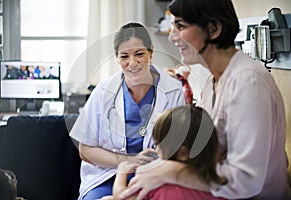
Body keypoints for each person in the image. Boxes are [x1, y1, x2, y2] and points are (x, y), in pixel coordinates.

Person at [120, 0, 291, 200]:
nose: (172, 36)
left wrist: (170, 171)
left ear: (213, 29)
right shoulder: (214, 81)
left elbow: (246, 181)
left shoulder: (248, 83)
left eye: (181, 26)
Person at [69, 22, 185, 200]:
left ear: (151, 52)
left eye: (139, 54)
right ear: (116, 58)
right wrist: (129, 161)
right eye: (124, 56)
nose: (132, 63)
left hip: (156, 176)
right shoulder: (103, 91)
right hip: (106, 177)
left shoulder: (174, 90)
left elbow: (180, 148)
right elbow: (85, 150)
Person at [112, 105, 227, 200]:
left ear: (183, 154)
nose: (156, 150)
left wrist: (121, 172)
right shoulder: (219, 189)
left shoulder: (157, 185)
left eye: (158, 145)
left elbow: (122, 197)